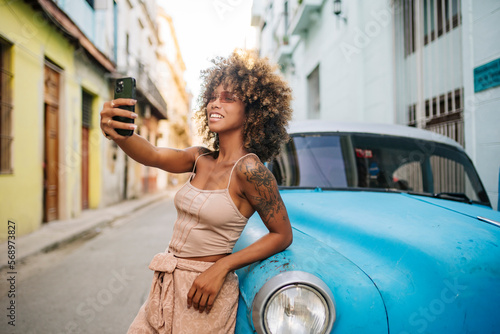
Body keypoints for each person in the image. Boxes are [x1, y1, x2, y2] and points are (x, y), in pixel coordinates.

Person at [100, 50, 293, 334]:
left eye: (228, 98)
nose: (215, 103)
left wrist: (223, 267)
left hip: (204, 293)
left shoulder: (250, 170)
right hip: (167, 283)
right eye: (212, 97)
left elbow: (282, 235)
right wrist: (120, 133)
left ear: (252, 111)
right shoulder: (199, 158)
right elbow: (152, 154)